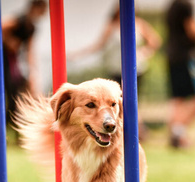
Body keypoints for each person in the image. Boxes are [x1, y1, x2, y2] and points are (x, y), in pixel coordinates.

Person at [69, 6, 162, 140]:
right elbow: (98, 45)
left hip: (135, 71)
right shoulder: (111, 26)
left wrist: (145, 52)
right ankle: (137, 131)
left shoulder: (139, 23)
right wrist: (78, 54)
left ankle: (138, 131)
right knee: (117, 102)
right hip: (116, 71)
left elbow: (155, 41)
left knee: (131, 102)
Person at [2, 0, 47, 142]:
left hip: (16, 63)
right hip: (4, 62)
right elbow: (0, 26)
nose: (43, 14)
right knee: (11, 98)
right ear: (34, 7)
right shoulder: (19, 20)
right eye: (42, 10)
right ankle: (7, 134)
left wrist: (33, 71)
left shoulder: (32, 28)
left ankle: (17, 135)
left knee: (19, 98)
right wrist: (10, 41)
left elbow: (29, 51)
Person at [166, 0, 195, 148]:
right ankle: (177, 131)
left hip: (171, 56)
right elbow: (192, 30)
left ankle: (177, 135)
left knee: (178, 99)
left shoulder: (171, 7)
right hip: (186, 57)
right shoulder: (186, 6)